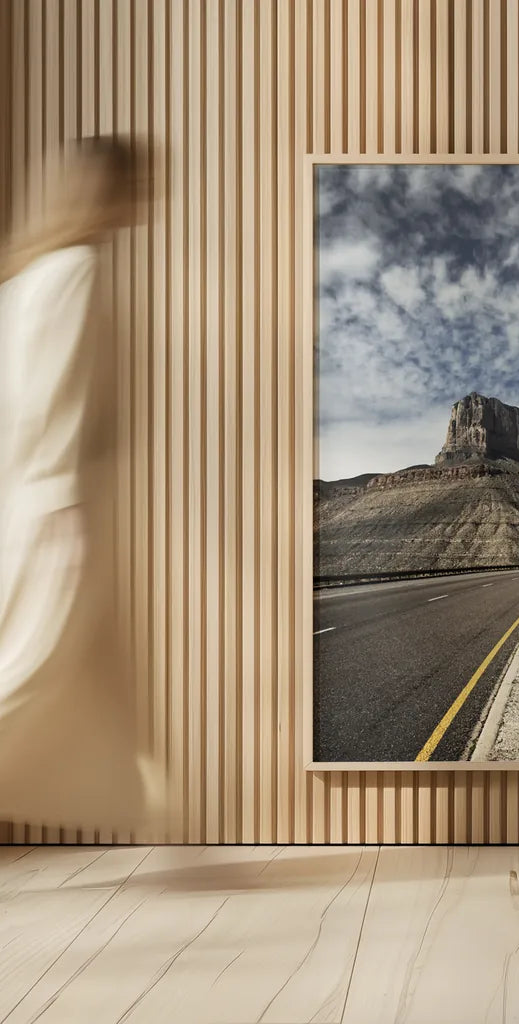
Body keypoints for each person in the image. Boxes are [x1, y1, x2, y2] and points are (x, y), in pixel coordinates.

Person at [0, 136, 170, 836]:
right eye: (139, 185)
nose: (148, 200)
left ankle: (178, 852)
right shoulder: (76, 271)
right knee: (29, 673)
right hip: (62, 511)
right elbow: (53, 401)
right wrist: (68, 514)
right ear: (110, 192)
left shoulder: (27, 277)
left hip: (41, 502)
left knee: (111, 698)